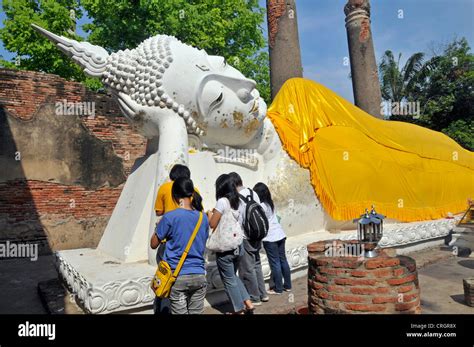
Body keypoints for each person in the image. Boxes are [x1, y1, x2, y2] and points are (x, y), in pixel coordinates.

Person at [150, 177, 209, 314]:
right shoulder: (203, 217)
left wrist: (158, 228)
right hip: (199, 275)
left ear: (175, 196)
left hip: (178, 276)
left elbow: (154, 244)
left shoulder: (170, 217)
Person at [207, 174, 255, 314]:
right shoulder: (238, 201)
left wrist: (209, 214)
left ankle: (238, 310)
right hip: (238, 246)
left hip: (225, 249)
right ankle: (249, 304)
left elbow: (212, 223)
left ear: (221, 187)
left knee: (229, 280)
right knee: (233, 276)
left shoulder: (222, 202)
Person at [153, 164, 194, 314]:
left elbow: (158, 212)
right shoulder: (193, 190)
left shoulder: (164, 188)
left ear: (172, 176)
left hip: (168, 241)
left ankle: (164, 309)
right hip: (189, 242)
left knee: (166, 278)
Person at [228, 172, 269, 305]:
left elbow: (239, 219)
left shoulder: (237, 198)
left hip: (246, 236)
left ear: (233, 184)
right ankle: (263, 294)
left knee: (248, 268)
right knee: (257, 264)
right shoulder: (253, 192)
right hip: (258, 233)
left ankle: (254, 297)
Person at [253, 182, 292, 294]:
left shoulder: (260, 206)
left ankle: (278, 289)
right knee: (283, 260)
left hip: (270, 237)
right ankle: (288, 285)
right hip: (280, 234)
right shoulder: (270, 203)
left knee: (275, 263)